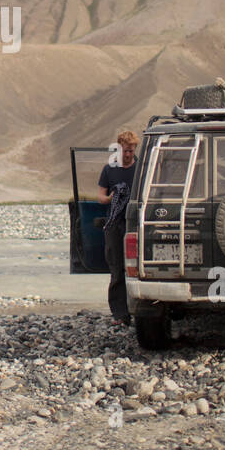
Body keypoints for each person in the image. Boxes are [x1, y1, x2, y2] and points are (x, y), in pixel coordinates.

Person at [97, 129, 139, 326]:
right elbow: (101, 197)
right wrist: (111, 198)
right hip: (114, 224)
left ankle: (141, 310)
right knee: (117, 268)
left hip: (136, 223)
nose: (128, 154)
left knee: (138, 267)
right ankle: (120, 314)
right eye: (125, 150)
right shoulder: (109, 170)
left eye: (131, 150)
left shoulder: (141, 169)